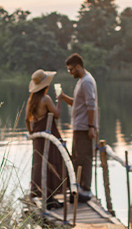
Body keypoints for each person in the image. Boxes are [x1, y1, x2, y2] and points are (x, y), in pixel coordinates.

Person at [25, 69, 65, 209]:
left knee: (39, 162)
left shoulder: (31, 100)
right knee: (52, 161)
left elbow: (26, 120)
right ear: (45, 86)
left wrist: (32, 133)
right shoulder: (45, 99)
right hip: (48, 134)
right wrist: (59, 100)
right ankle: (50, 197)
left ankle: (42, 194)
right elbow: (57, 114)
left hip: (37, 136)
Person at [60, 53, 98, 193]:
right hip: (78, 127)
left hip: (84, 127)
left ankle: (85, 189)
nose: (70, 73)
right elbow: (78, 104)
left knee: (84, 158)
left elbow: (91, 105)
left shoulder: (87, 81)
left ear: (78, 66)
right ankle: (79, 187)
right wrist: (63, 97)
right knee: (76, 158)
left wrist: (91, 127)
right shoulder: (81, 81)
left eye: (71, 69)